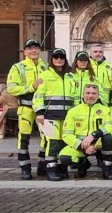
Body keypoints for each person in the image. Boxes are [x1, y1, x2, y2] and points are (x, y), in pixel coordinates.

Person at [7, 39, 48, 180]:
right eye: (30, 48)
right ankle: (25, 168)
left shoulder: (47, 66)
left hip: (42, 109)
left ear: (40, 51)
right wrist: (31, 87)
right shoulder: (18, 67)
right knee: (24, 139)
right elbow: (11, 88)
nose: (33, 51)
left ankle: (43, 165)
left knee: (46, 138)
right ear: (25, 51)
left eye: (36, 48)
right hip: (26, 106)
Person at [32, 48, 74, 181]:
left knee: (64, 141)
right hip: (50, 115)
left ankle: (61, 168)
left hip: (67, 116)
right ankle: (50, 169)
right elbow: (38, 96)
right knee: (53, 142)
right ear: (52, 59)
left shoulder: (71, 76)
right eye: (56, 57)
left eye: (62, 57)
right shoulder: (45, 75)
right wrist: (39, 112)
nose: (59, 60)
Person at [59, 84, 112, 179]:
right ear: (82, 95)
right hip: (81, 145)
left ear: (98, 95)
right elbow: (66, 135)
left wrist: (94, 135)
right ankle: (83, 164)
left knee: (108, 137)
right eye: (87, 93)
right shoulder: (73, 111)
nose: (90, 96)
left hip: (99, 144)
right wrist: (82, 147)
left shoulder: (106, 110)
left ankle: (107, 170)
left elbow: (111, 127)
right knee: (64, 157)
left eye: (94, 93)